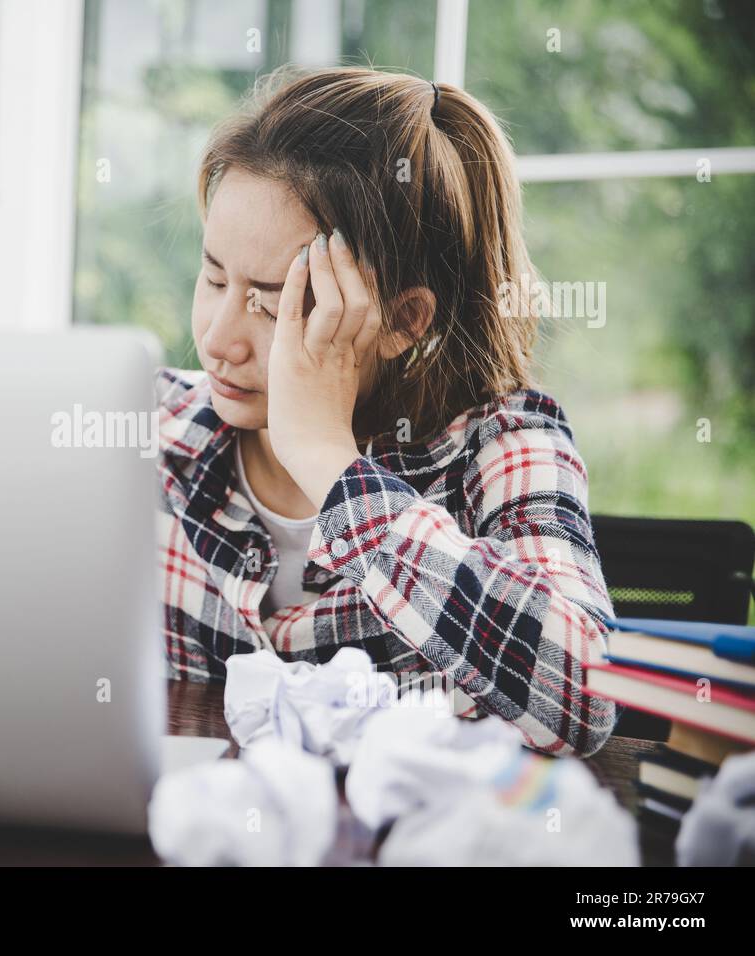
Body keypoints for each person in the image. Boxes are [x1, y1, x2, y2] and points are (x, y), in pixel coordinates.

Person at [156, 66, 620, 758]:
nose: (216, 339)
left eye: (271, 300)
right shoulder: (156, 428)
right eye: (214, 276)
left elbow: (583, 695)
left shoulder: (508, 446)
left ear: (403, 319)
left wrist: (326, 460)